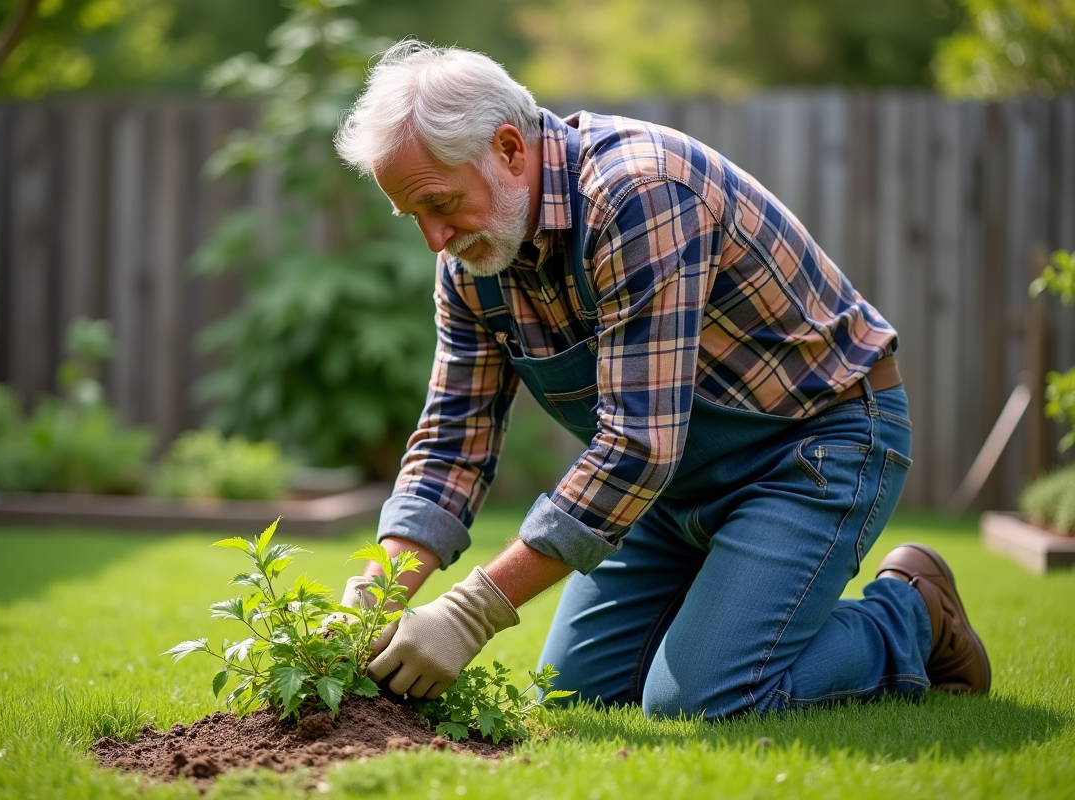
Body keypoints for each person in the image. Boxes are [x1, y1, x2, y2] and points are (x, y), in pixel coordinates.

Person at [330, 40, 990, 718]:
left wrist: (472, 612)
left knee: (701, 701)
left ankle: (911, 613)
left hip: (813, 448)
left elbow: (638, 445)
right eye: (415, 217)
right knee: (574, 695)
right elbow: (451, 448)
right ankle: (732, 608)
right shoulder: (473, 264)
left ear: (508, 149)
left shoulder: (638, 194)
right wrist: (373, 596)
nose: (434, 240)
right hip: (669, 482)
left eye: (439, 203)